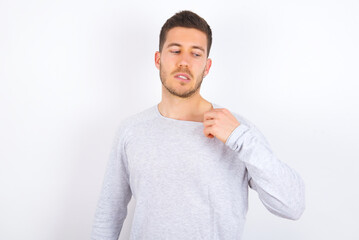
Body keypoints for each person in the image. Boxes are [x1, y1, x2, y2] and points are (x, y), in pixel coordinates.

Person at [91, 10, 305, 240]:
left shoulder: (236, 131)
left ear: (207, 66)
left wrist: (240, 139)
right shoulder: (131, 130)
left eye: (195, 54)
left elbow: (292, 206)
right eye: (175, 51)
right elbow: (109, 215)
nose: (184, 61)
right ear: (158, 59)